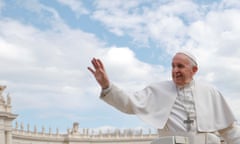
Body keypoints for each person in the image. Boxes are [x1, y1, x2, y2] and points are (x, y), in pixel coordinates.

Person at [88, 51, 240, 144]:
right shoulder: (158, 91)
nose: (175, 70)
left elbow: (230, 130)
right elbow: (129, 103)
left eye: (180, 66)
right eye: (172, 66)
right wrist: (107, 86)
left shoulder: (210, 92)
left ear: (194, 70)